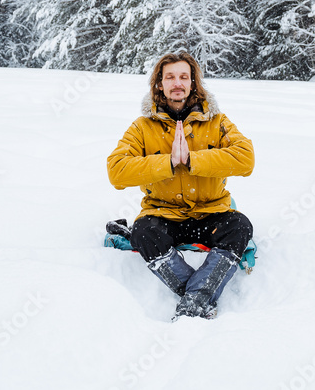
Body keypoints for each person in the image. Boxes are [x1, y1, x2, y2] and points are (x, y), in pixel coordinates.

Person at [107, 51, 254, 320]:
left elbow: (246, 159)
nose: (177, 83)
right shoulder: (142, 127)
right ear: (159, 84)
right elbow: (116, 171)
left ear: (194, 83)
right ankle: (199, 296)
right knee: (143, 231)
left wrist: (192, 159)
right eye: (170, 77)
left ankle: (194, 299)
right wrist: (168, 163)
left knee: (240, 226)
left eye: (184, 77)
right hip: (163, 215)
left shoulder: (217, 121)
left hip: (211, 212)